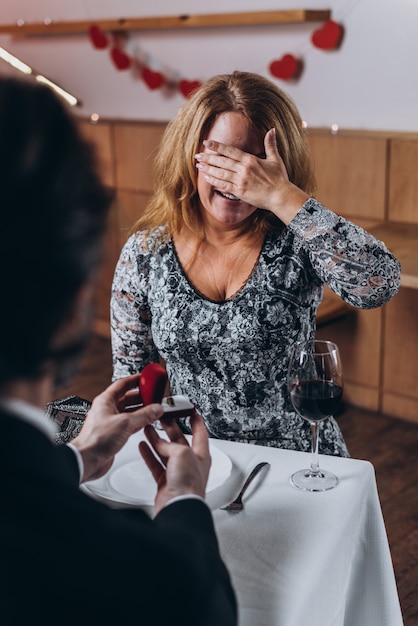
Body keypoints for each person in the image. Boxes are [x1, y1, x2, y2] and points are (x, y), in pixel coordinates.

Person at [0, 77, 237, 626]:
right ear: (74, 306)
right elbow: (200, 600)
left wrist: (78, 456)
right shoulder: (134, 574)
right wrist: (181, 498)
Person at [111, 70, 401, 457]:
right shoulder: (146, 253)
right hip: (195, 463)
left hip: (299, 461)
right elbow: (131, 383)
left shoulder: (300, 240)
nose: (239, 178)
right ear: (190, 154)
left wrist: (282, 197)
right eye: (223, 158)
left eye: (256, 162)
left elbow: (378, 284)